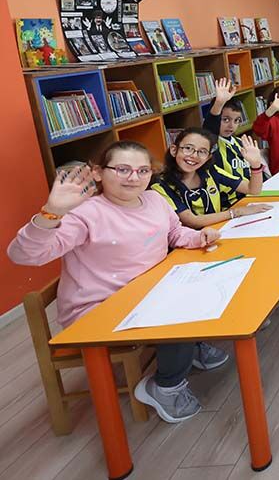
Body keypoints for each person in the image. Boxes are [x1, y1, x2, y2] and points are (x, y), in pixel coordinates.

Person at [8, 142, 226, 423]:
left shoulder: (154, 200)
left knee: (203, 288)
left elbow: (174, 232)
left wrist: (198, 237)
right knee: (178, 316)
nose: (134, 178)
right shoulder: (85, 214)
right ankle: (166, 386)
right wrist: (51, 212)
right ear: (98, 173)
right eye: (122, 169)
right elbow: (25, 255)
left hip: (146, 294)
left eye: (143, 170)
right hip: (98, 308)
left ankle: (190, 346)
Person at [151, 128, 269, 230]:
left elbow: (253, 189)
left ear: (208, 157)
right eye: (188, 148)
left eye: (202, 152)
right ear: (174, 150)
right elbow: (192, 221)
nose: (194, 155)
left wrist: (255, 165)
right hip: (190, 241)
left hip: (219, 229)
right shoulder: (161, 185)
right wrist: (237, 212)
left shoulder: (211, 171)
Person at [203, 78, 250, 207]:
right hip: (228, 203)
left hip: (249, 195)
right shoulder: (211, 143)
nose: (231, 125)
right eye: (225, 119)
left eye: (236, 121)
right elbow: (209, 129)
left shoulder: (240, 142)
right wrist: (219, 103)